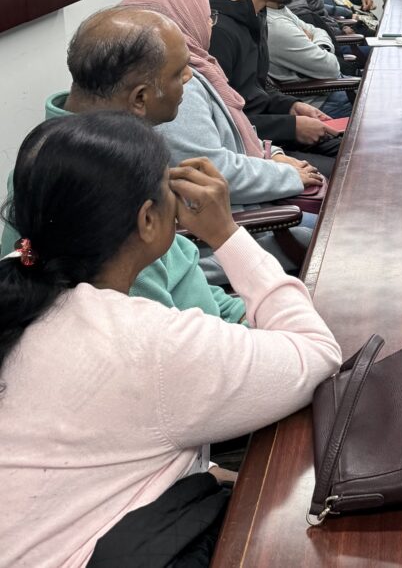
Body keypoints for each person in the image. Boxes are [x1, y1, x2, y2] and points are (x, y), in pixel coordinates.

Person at [0, 112, 342, 566]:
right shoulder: (146, 341)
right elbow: (317, 353)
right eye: (168, 185)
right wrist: (225, 233)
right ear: (146, 219)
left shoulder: (18, 278)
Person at [0, 5, 245, 324]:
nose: (190, 76)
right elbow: (155, 332)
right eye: (178, 72)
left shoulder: (97, 153)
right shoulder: (97, 182)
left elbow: (184, 276)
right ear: (140, 99)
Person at [121, 0, 323, 209]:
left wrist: (273, 155)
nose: (210, 24)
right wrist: (285, 175)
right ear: (178, 19)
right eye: (207, 16)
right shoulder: (174, 85)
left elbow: (236, 132)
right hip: (242, 223)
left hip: (255, 193)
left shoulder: (199, 66)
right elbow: (209, 171)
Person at [208, 0, 342, 176]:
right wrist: (290, 127)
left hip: (270, 130)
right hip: (250, 149)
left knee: (355, 152)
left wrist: (291, 106)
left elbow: (256, 92)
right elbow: (224, 122)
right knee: (347, 172)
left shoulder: (255, 15)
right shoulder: (220, 32)